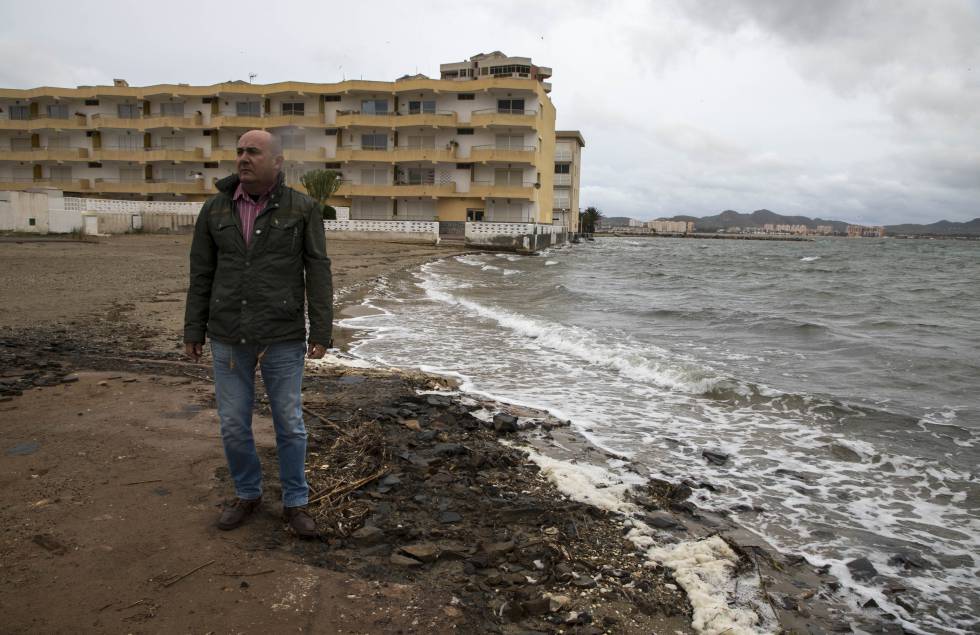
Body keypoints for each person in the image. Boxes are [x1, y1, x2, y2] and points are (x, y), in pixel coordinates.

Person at [183, 130, 332, 538]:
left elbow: (317, 270)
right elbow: (202, 273)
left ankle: (295, 502)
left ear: (277, 162)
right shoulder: (215, 210)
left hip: (282, 337)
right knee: (233, 423)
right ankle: (247, 494)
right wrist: (193, 328)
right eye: (240, 151)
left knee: (289, 422)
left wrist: (321, 329)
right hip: (228, 335)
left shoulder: (302, 208)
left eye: (253, 151)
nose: (244, 158)